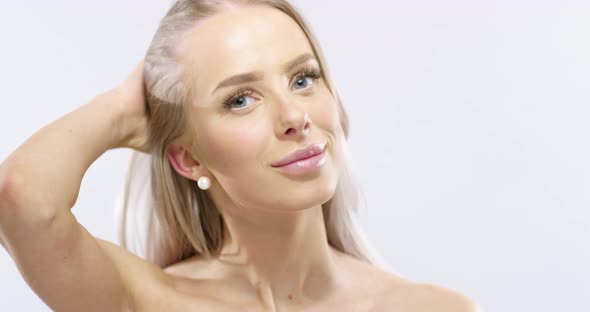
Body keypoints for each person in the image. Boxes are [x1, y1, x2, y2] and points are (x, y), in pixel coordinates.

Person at [0, 0, 482, 311]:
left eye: (302, 79)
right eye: (240, 99)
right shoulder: (148, 303)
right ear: (188, 160)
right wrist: (124, 113)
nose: (294, 115)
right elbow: (22, 198)